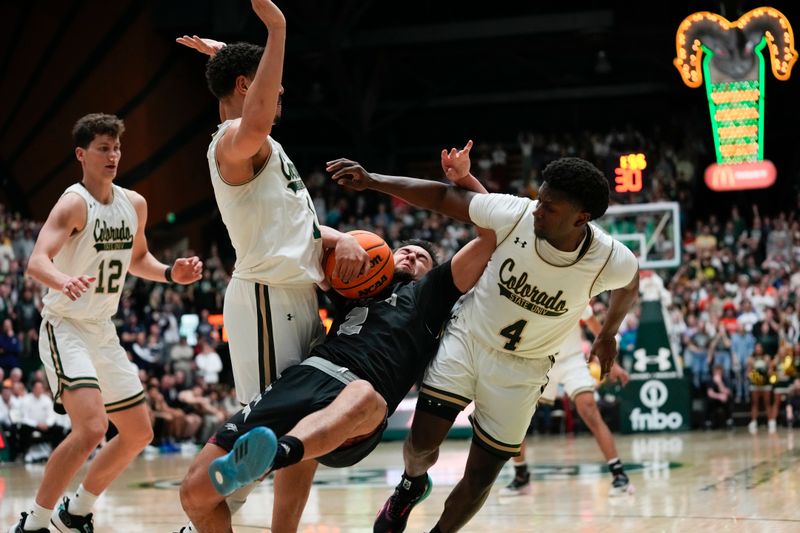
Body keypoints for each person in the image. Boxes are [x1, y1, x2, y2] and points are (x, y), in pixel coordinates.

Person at [327, 142, 639, 533]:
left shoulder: (611, 259)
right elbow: (444, 196)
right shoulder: (518, 213)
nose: (538, 210)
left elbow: (630, 283)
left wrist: (608, 334)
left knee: (482, 477)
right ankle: (410, 486)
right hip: (469, 338)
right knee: (421, 445)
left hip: (523, 369)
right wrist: (373, 180)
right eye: (539, 200)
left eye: (550, 208)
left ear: (582, 218)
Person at [175, 2, 369, 529]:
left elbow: (292, 223)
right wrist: (278, 29)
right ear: (245, 86)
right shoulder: (232, 145)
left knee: (296, 432)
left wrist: (339, 235)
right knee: (261, 438)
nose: (279, 93)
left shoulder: (267, 148)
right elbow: (252, 114)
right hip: (264, 298)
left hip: (296, 295)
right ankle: (200, 512)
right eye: (268, 84)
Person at [179, 229, 496, 531]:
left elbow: (485, 241)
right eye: (405, 252)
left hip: (360, 405)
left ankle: (276, 454)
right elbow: (306, 231)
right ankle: (275, 453)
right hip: (304, 376)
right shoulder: (356, 285)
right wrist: (344, 239)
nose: (412, 258)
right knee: (194, 492)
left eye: (421, 259)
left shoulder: (431, 295)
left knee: (363, 394)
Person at [9, 113, 203, 533]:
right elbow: (36, 261)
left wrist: (171, 272)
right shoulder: (73, 202)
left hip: (103, 328)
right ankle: (34, 522)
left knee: (138, 432)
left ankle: (75, 511)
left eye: (116, 147)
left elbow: (138, 260)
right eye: (103, 148)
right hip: (65, 325)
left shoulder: (134, 203)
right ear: (82, 154)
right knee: (93, 427)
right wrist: (64, 280)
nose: (113, 155)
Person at [501, 304, 632, 497]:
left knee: (589, 410)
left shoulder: (577, 290)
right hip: (539, 361)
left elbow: (597, 329)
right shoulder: (528, 292)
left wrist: (611, 364)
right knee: (516, 418)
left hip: (572, 360)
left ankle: (619, 475)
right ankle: (521, 477)